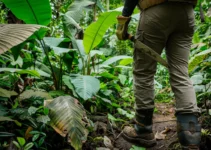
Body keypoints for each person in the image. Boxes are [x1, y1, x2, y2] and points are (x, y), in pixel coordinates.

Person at [116, 0, 201, 149]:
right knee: (181, 71)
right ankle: (191, 135)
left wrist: (124, 20)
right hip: (186, 13)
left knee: (144, 71)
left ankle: (143, 129)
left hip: (156, 11)